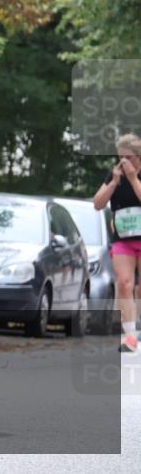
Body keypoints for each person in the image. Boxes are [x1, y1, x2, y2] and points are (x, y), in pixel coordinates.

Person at [93, 133, 141, 353]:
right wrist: (113, 182)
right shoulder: (115, 174)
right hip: (123, 239)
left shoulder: (134, 175)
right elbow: (98, 203)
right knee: (123, 283)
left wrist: (133, 179)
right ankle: (130, 336)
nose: (123, 162)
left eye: (128, 157)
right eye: (120, 157)